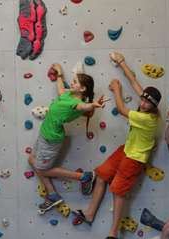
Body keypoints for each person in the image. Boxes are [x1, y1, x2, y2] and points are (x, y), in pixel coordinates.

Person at [71, 53, 161, 239]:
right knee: (102, 175)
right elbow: (135, 83)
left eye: (147, 103)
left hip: (135, 158)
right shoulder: (146, 105)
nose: (142, 104)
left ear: (154, 107)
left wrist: (117, 91)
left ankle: (114, 232)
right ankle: (89, 213)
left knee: (118, 191)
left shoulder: (147, 117)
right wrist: (121, 62)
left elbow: (121, 110)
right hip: (126, 149)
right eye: (142, 100)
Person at [28, 63, 110, 213]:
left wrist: (93, 105)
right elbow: (60, 89)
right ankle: (53, 195)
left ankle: (85, 177)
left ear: (82, 89)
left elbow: (85, 107)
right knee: (32, 161)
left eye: (75, 82)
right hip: (44, 133)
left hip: (51, 139)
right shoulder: (68, 94)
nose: (71, 83)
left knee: (44, 171)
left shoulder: (77, 103)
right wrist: (59, 73)